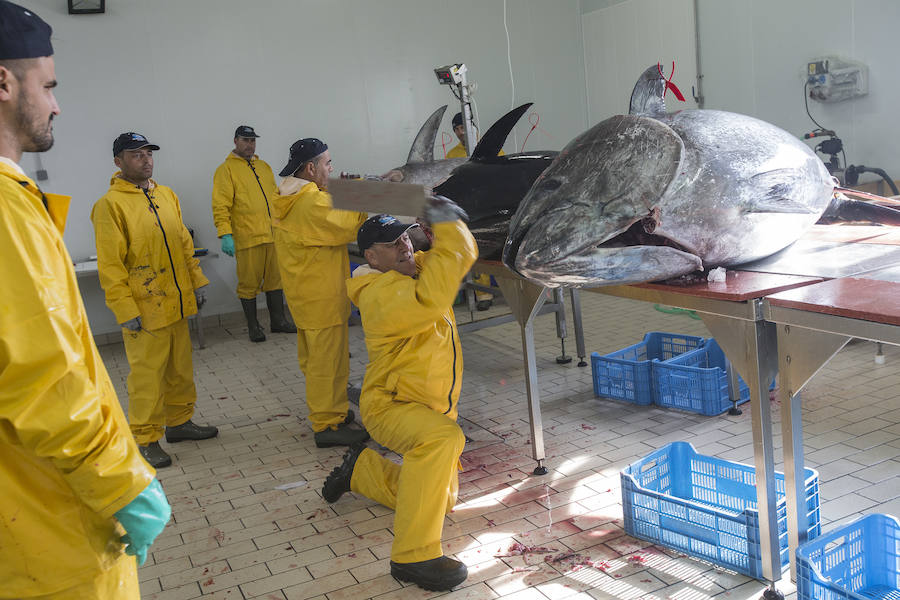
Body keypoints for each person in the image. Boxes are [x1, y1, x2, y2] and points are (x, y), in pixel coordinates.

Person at [0, 3, 170, 597]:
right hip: (52, 528)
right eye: (47, 85)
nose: (56, 104)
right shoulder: (5, 207)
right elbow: (43, 376)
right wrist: (120, 484)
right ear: (4, 82)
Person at [323, 197, 477, 591]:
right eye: (391, 244)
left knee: (440, 502)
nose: (404, 245)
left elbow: (451, 259)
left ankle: (361, 471)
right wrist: (447, 226)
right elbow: (434, 294)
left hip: (430, 406)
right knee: (443, 440)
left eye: (404, 236)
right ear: (371, 257)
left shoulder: (416, 271)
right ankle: (413, 557)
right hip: (391, 405)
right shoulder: (378, 294)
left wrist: (435, 226)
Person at [91, 132, 218, 469]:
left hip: (175, 303)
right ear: (118, 162)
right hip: (144, 309)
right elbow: (110, 264)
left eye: (148, 153)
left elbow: (183, 246)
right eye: (136, 154)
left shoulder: (166, 195)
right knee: (147, 377)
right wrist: (124, 308)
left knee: (180, 369)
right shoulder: (110, 206)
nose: (146, 160)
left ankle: (179, 423)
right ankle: (146, 438)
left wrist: (197, 283)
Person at [272, 137, 369, 447]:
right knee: (327, 364)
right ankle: (327, 425)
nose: (332, 168)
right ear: (311, 168)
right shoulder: (310, 203)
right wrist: (362, 192)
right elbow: (348, 224)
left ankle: (334, 411)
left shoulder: (292, 194)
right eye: (328, 163)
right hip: (321, 297)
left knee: (319, 361)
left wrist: (341, 190)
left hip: (306, 295)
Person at [212, 125, 296, 342]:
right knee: (248, 284)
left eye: (253, 141)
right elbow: (220, 205)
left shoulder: (264, 167)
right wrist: (225, 234)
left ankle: (278, 321)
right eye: (245, 140)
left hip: (273, 236)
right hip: (248, 238)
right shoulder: (226, 170)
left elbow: (276, 199)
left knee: (275, 281)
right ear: (235, 141)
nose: (250, 144)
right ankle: (253, 326)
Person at [445, 111, 499, 310]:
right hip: (472, 209)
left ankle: (516, 293)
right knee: (478, 248)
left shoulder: (492, 147)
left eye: (462, 127)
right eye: (457, 129)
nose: (460, 132)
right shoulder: (452, 155)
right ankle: (483, 294)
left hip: (496, 206)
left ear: (472, 126)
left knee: (501, 251)